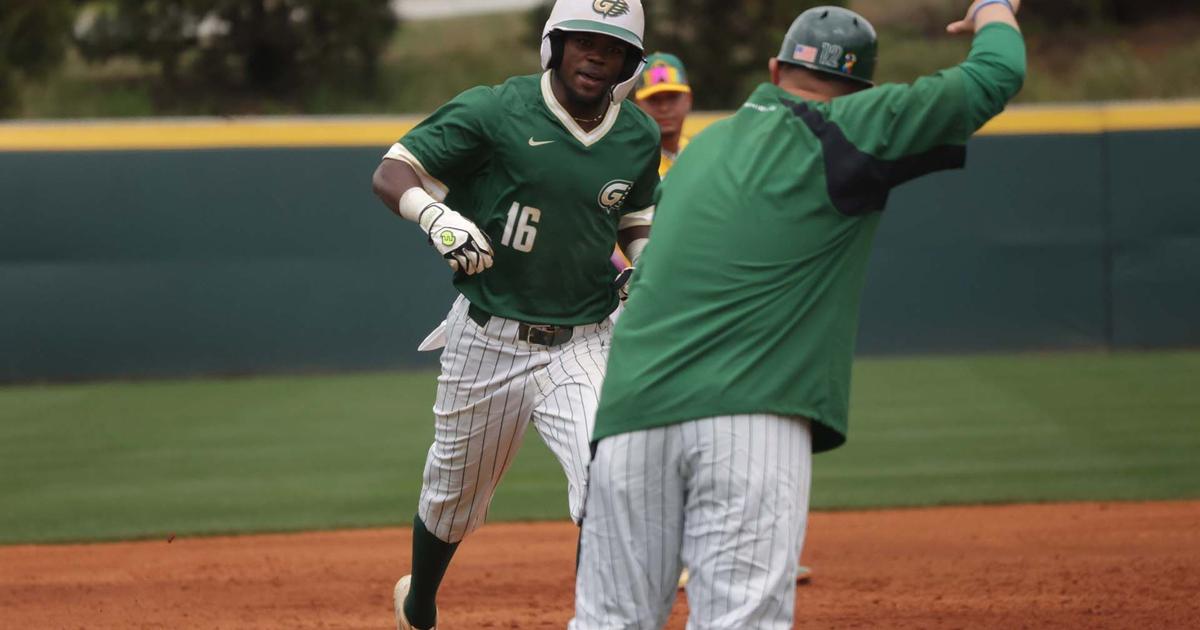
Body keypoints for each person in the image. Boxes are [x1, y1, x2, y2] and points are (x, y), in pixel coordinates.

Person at [572, 1, 1026, 628]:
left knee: (608, 623)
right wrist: (991, 7)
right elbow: (996, 73)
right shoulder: (854, 124)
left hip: (628, 415)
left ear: (774, 70)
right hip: (747, 414)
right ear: (860, 89)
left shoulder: (702, 150)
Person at [369, 1, 660, 628]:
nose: (596, 57)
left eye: (612, 49)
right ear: (555, 44)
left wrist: (646, 261)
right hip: (488, 336)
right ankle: (419, 604)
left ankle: (598, 620)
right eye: (584, 42)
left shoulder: (637, 134)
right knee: (450, 501)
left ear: (629, 63)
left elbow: (636, 215)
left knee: (609, 479)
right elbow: (393, 171)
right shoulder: (495, 109)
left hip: (583, 340)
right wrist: (436, 217)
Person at [633, 52, 694, 178]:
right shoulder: (629, 163)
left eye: (673, 97)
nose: (664, 108)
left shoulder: (701, 153)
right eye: (653, 99)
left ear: (688, 99)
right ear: (637, 105)